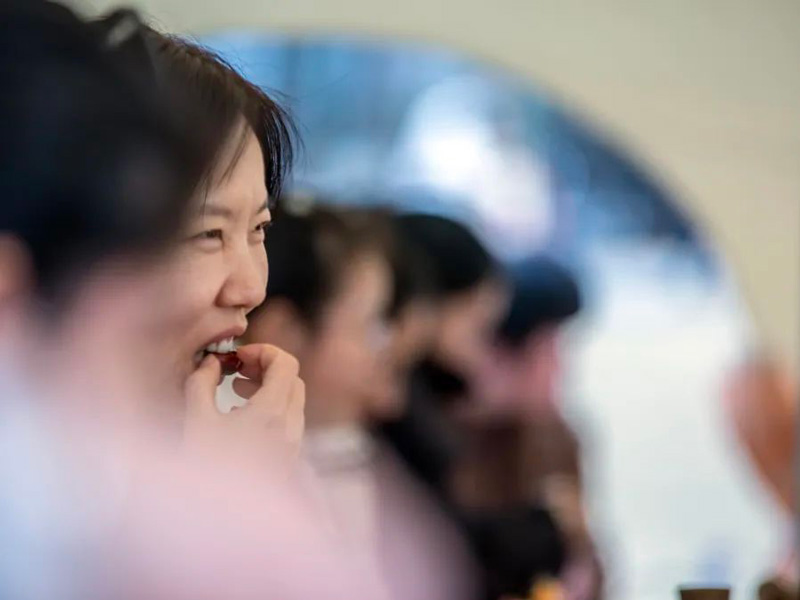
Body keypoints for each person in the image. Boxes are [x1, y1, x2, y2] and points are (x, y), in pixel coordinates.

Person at [455, 257, 604, 600]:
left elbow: (593, 574)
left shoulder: (558, 437)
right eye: (548, 350)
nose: (560, 367)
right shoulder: (437, 442)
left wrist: (576, 544)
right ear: (498, 350)